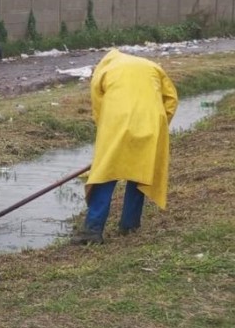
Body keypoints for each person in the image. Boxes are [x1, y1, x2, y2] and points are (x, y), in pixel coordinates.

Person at [73, 49, 178, 245]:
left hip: (117, 124)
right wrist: (160, 125)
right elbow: (171, 100)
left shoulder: (105, 68)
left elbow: (98, 106)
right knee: (140, 174)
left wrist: (105, 135)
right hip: (151, 124)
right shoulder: (152, 66)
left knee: (105, 176)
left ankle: (92, 230)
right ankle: (129, 226)